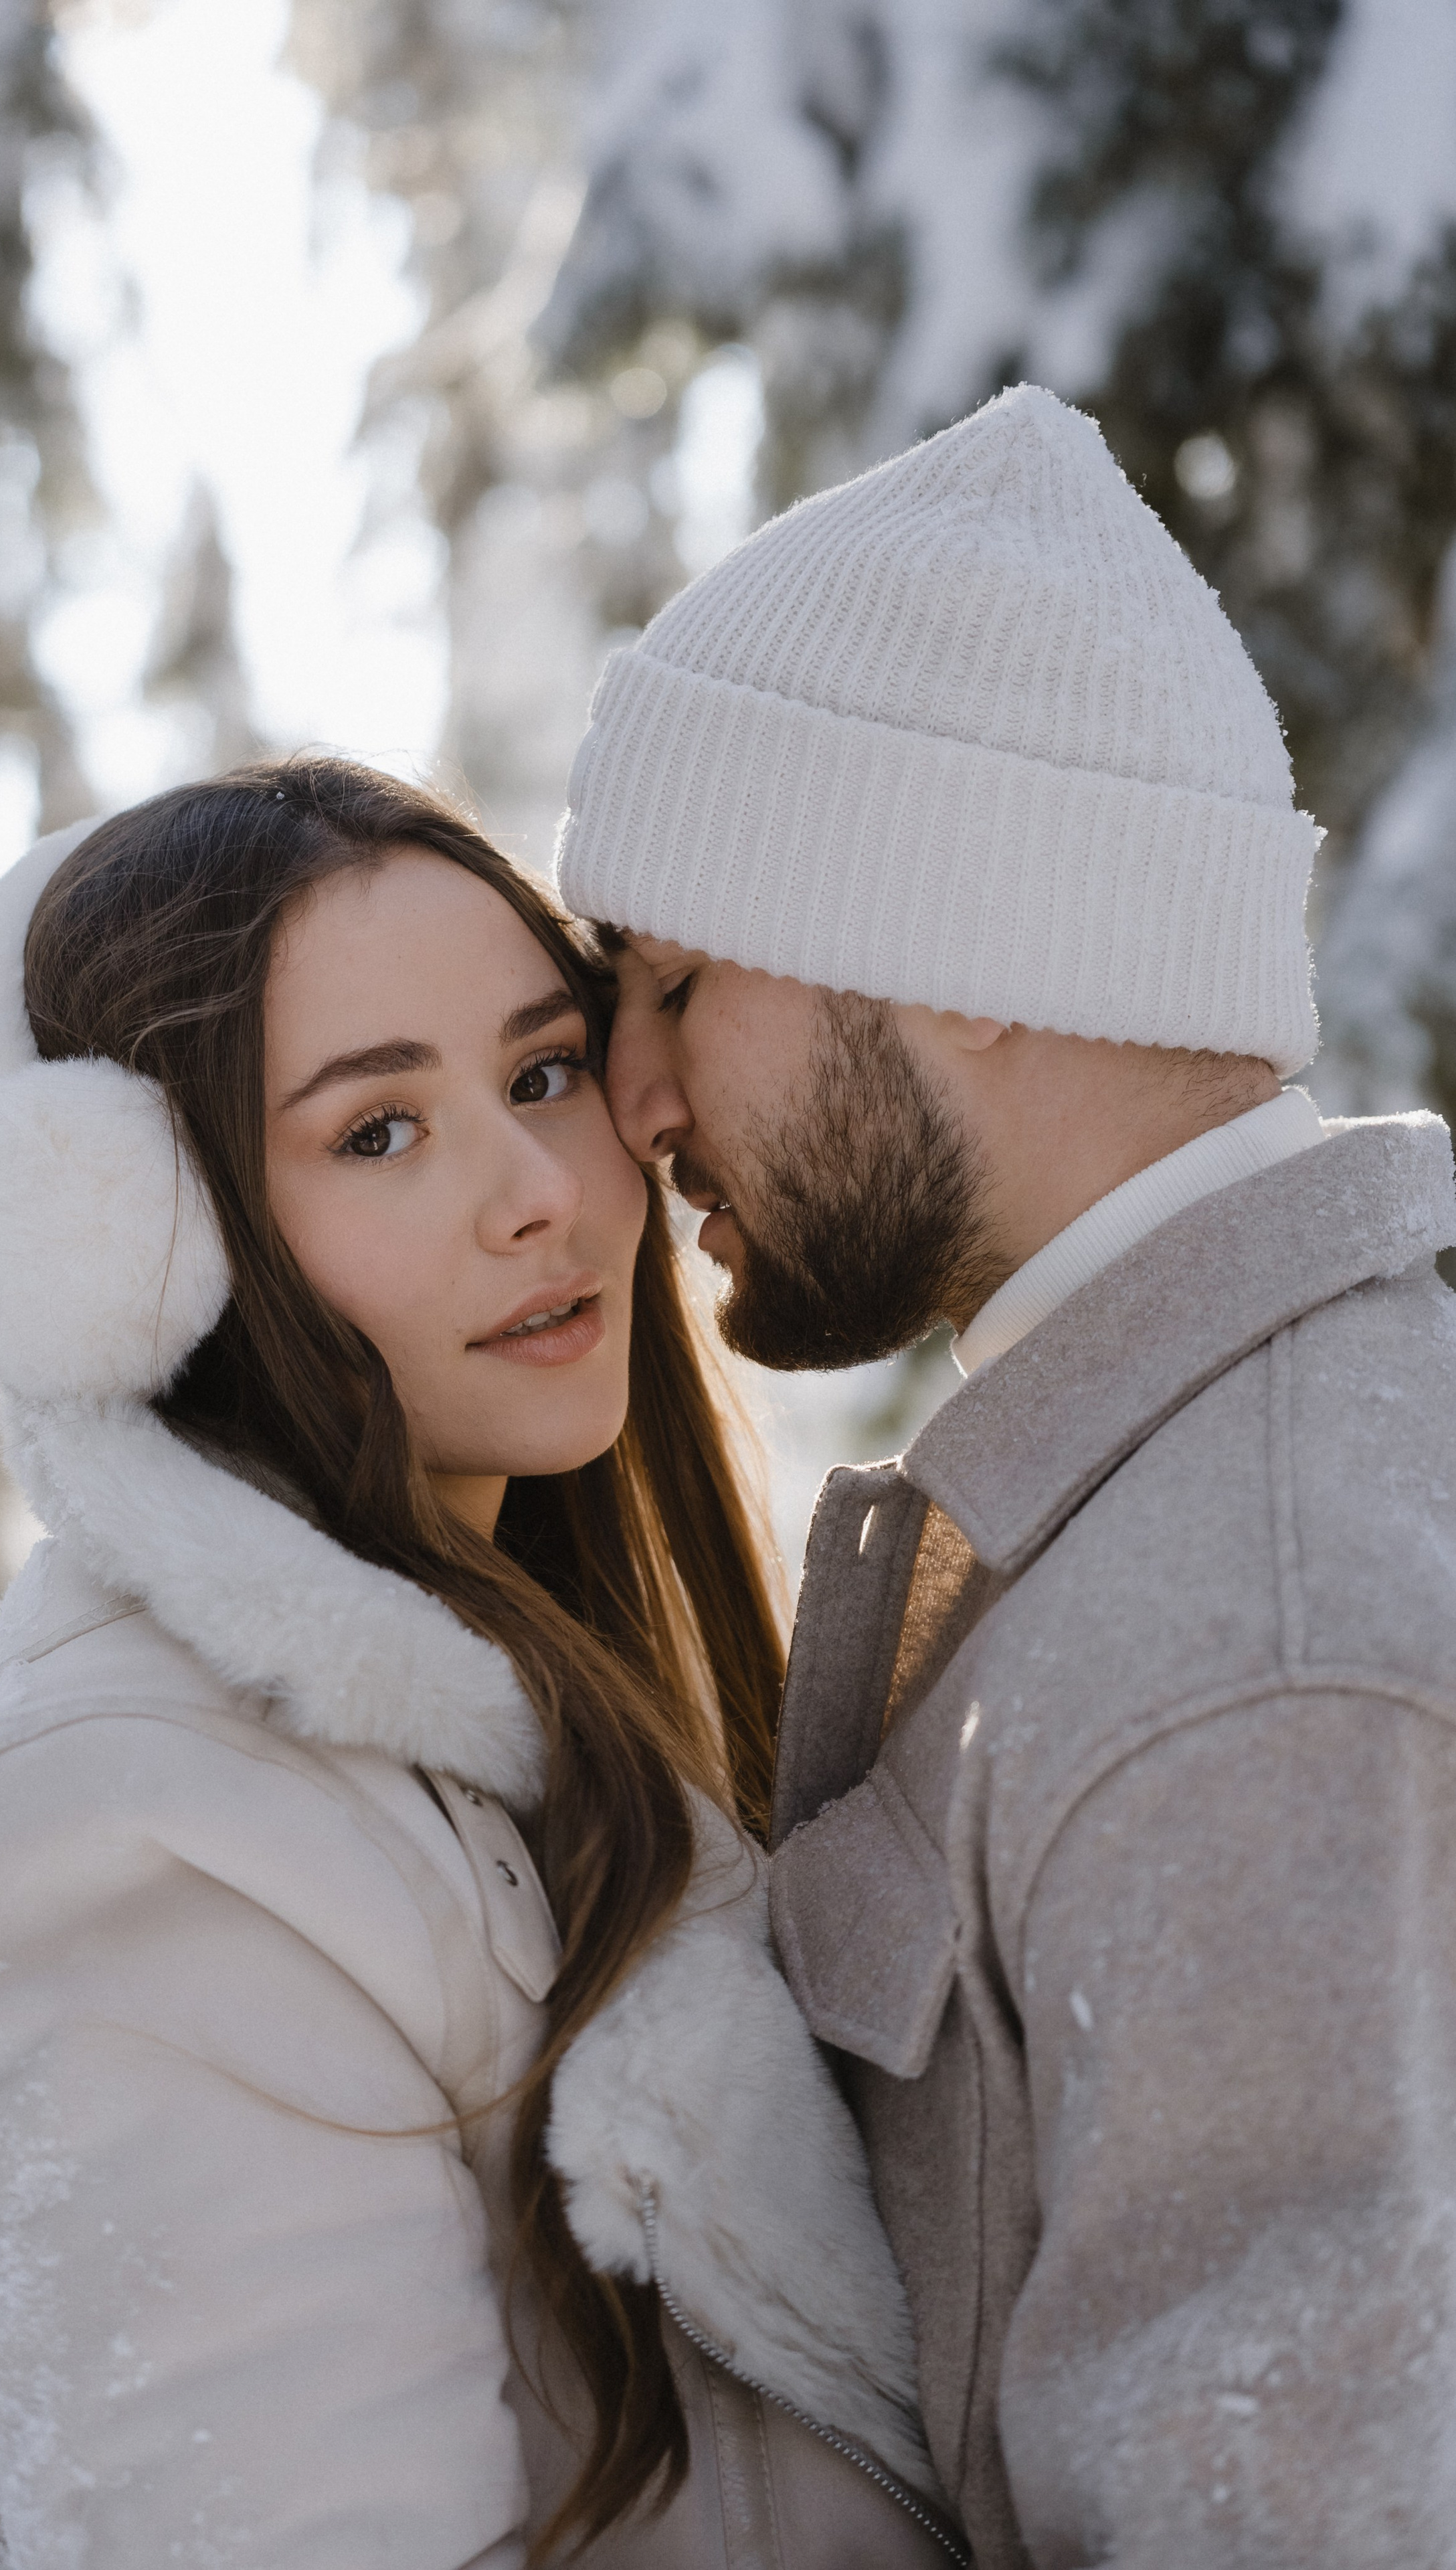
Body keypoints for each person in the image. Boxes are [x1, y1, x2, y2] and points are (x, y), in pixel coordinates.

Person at [0, 760, 963, 2570]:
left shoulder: (533, 1716)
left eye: (542, 1073)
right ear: (159, 1242)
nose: (539, 1197)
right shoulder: (135, 1831)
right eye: (377, 1131)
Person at [557, 383, 1456, 2569]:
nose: (634, 1102)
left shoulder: (1246, 1650)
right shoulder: (1171, 1507)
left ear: (967, 951)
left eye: (676, 983)